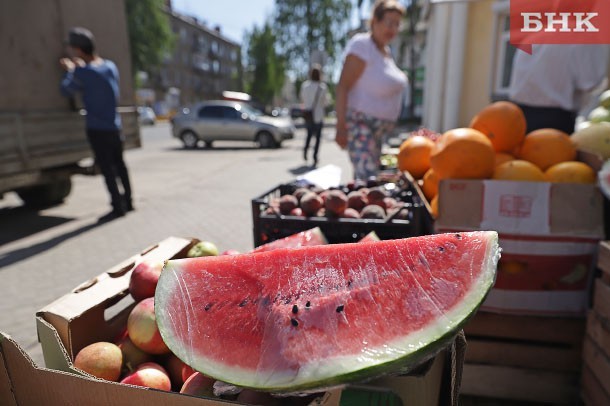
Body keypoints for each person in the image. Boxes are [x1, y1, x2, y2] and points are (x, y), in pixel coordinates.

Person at [59, 27, 134, 220]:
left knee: (107, 169)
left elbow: (66, 90)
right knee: (120, 165)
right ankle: (129, 201)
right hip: (115, 126)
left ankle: (117, 207)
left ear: (78, 50)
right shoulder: (110, 66)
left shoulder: (82, 72)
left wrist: (70, 71)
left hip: (97, 129)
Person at [335, 0, 408, 180]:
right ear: (375, 21)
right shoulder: (362, 45)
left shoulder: (386, 52)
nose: (393, 28)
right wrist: (340, 127)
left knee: (372, 178)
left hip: (378, 132)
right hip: (360, 125)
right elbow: (343, 86)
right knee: (367, 179)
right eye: (389, 22)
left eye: (397, 24)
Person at [509, 44, 610, 134]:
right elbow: (591, 83)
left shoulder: (535, 35)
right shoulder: (586, 38)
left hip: (515, 118)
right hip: (556, 121)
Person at [300, 64, 329, 167]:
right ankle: (315, 157)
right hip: (318, 116)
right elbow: (326, 102)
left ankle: (305, 151)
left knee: (308, 135)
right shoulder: (322, 87)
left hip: (308, 114)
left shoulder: (305, 86)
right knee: (317, 138)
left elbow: (302, 99)